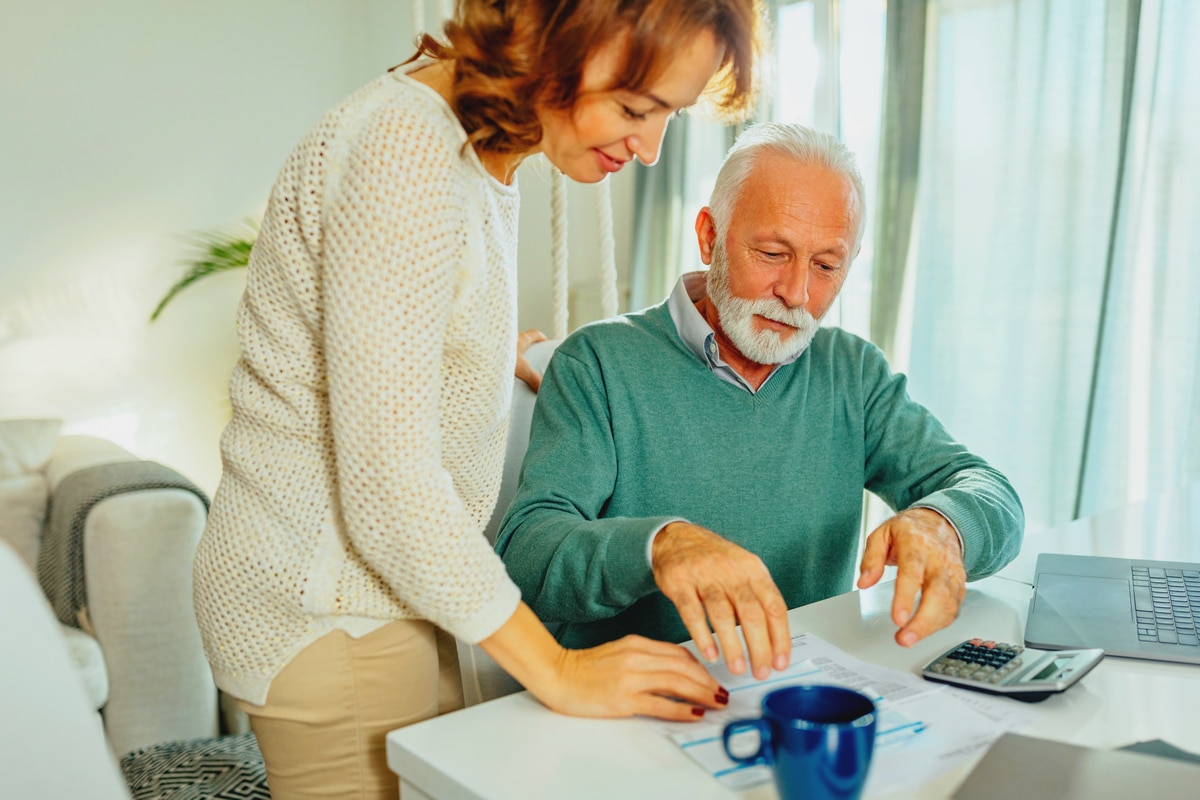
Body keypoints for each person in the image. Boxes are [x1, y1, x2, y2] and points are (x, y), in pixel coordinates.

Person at [191, 2, 766, 797]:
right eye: (636, 109)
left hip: (386, 594)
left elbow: (402, 342)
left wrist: (510, 358)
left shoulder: (481, 146)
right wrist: (561, 669)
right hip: (326, 608)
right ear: (551, 37)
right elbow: (389, 494)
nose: (649, 148)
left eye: (670, 113)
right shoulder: (406, 154)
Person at [495, 122, 1024, 684]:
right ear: (709, 236)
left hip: (800, 693)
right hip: (638, 703)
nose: (796, 293)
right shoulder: (597, 363)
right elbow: (527, 553)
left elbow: (991, 493)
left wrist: (943, 524)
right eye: (773, 253)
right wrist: (658, 547)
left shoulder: (853, 372)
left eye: (826, 266)